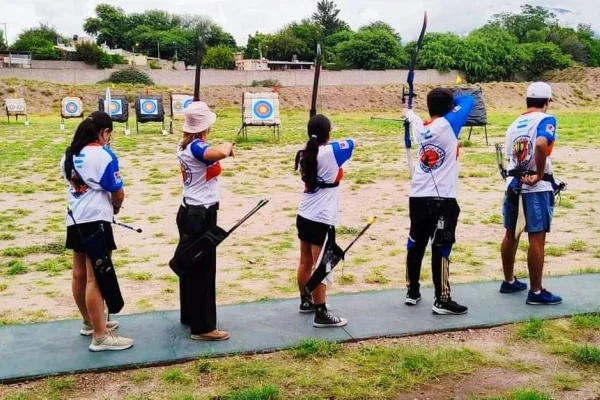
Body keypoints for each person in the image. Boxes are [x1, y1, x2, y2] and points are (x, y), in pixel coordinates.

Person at [62, 111, 133, 351]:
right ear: (104, 133)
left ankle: (90, 323)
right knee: (96, 277)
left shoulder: (69, 154)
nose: (109, 139)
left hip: (75, 218)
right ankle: (100, 336)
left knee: (79, 274)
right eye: (108, 134)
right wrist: (116, 207)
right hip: (95, 220)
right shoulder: (103, 155)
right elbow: (118, 192)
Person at [402, 88, 475, 315]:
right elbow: (470, 99)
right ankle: (442, 299)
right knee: (442, 245)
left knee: (416, 242)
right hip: (442, 199)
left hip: (418, 197)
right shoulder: (448, 123)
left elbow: (411, 116)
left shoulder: (421, 125)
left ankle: (412, 291)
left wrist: (409, 112)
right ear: (449, 107)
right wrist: (453, 98)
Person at [175, 101, 234, 340]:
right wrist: (228, 146)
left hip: (189, 211)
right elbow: (217, 152)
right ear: (203, 127)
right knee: (202, 270)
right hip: (199, 215)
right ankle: (203, 328)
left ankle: (190, 316)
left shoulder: (183, 144)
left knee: (190, 265)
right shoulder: (197, 147)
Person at [500, 82, 562, 305]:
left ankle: (509, 281)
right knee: (537, 237)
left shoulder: (514, 124)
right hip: (536, 187)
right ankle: (536, 292)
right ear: (547, 102)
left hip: (513, 185)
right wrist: (537, 173)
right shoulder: (546, 119)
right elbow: (541, 144)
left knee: (511, 233)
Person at [295, 114, 356, 327]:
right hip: (321, 219)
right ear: (327, 134)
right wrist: (330, 140)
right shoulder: (330, 152)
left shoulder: (306, 152)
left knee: (305, 261)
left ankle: (306, 300)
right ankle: (320, 312)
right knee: (322, 265)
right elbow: (352, 142)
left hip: (304, 215)